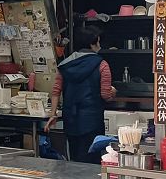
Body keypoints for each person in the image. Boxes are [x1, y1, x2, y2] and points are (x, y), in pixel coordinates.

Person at [47, 24, 115, 163]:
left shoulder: (65, 65)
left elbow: (56, 91)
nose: (99, 45)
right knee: (91, 160)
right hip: (92, 121)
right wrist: (113, 91)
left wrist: (53, 114)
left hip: (70, 121)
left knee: (75, 160)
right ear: (93, 43)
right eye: (98, 41)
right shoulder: (102, 64)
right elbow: (106, 95)